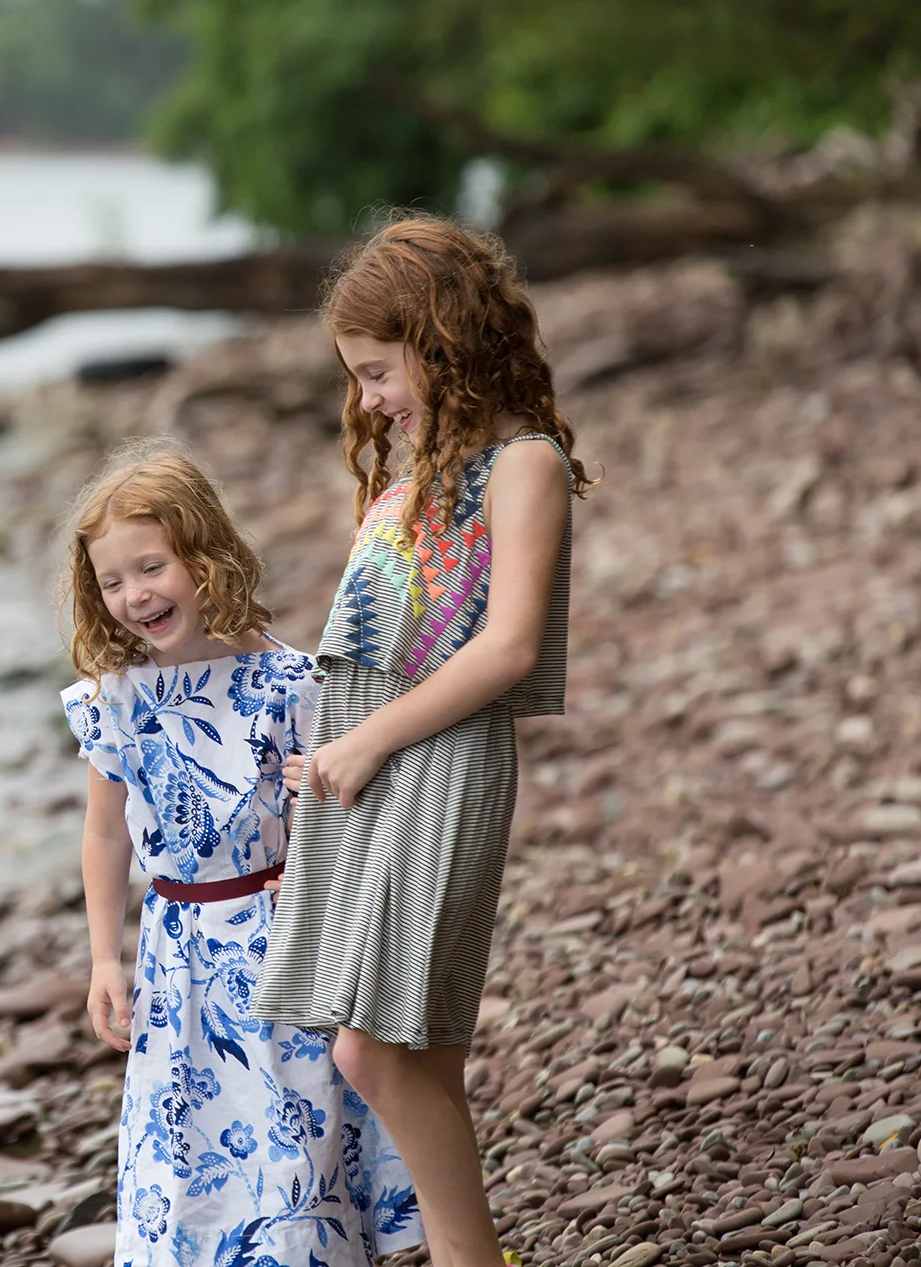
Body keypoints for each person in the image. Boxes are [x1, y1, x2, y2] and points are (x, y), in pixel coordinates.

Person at [252, 213, 596, 1267]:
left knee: (374, 1051)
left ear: (441, 340)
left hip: (433, 765)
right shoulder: (412, 478)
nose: (367, 402)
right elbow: (359, 643)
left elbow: (505, 648)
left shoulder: (521, 465)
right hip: (368, 769)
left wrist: (365, 745)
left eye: (376, 372)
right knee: (415, 1051)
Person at [61, 442, 423, 1267]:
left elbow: (351, 813)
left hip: (282, 942)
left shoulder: (289, 683)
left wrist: (321, 787)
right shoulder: (115, 701)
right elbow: (105, 832)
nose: (134, 595)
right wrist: (102, 959)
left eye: (151, 567)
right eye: (112, 581)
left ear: (206, 554)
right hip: (175, 953)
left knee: (296, 1134)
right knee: (188, 1140)